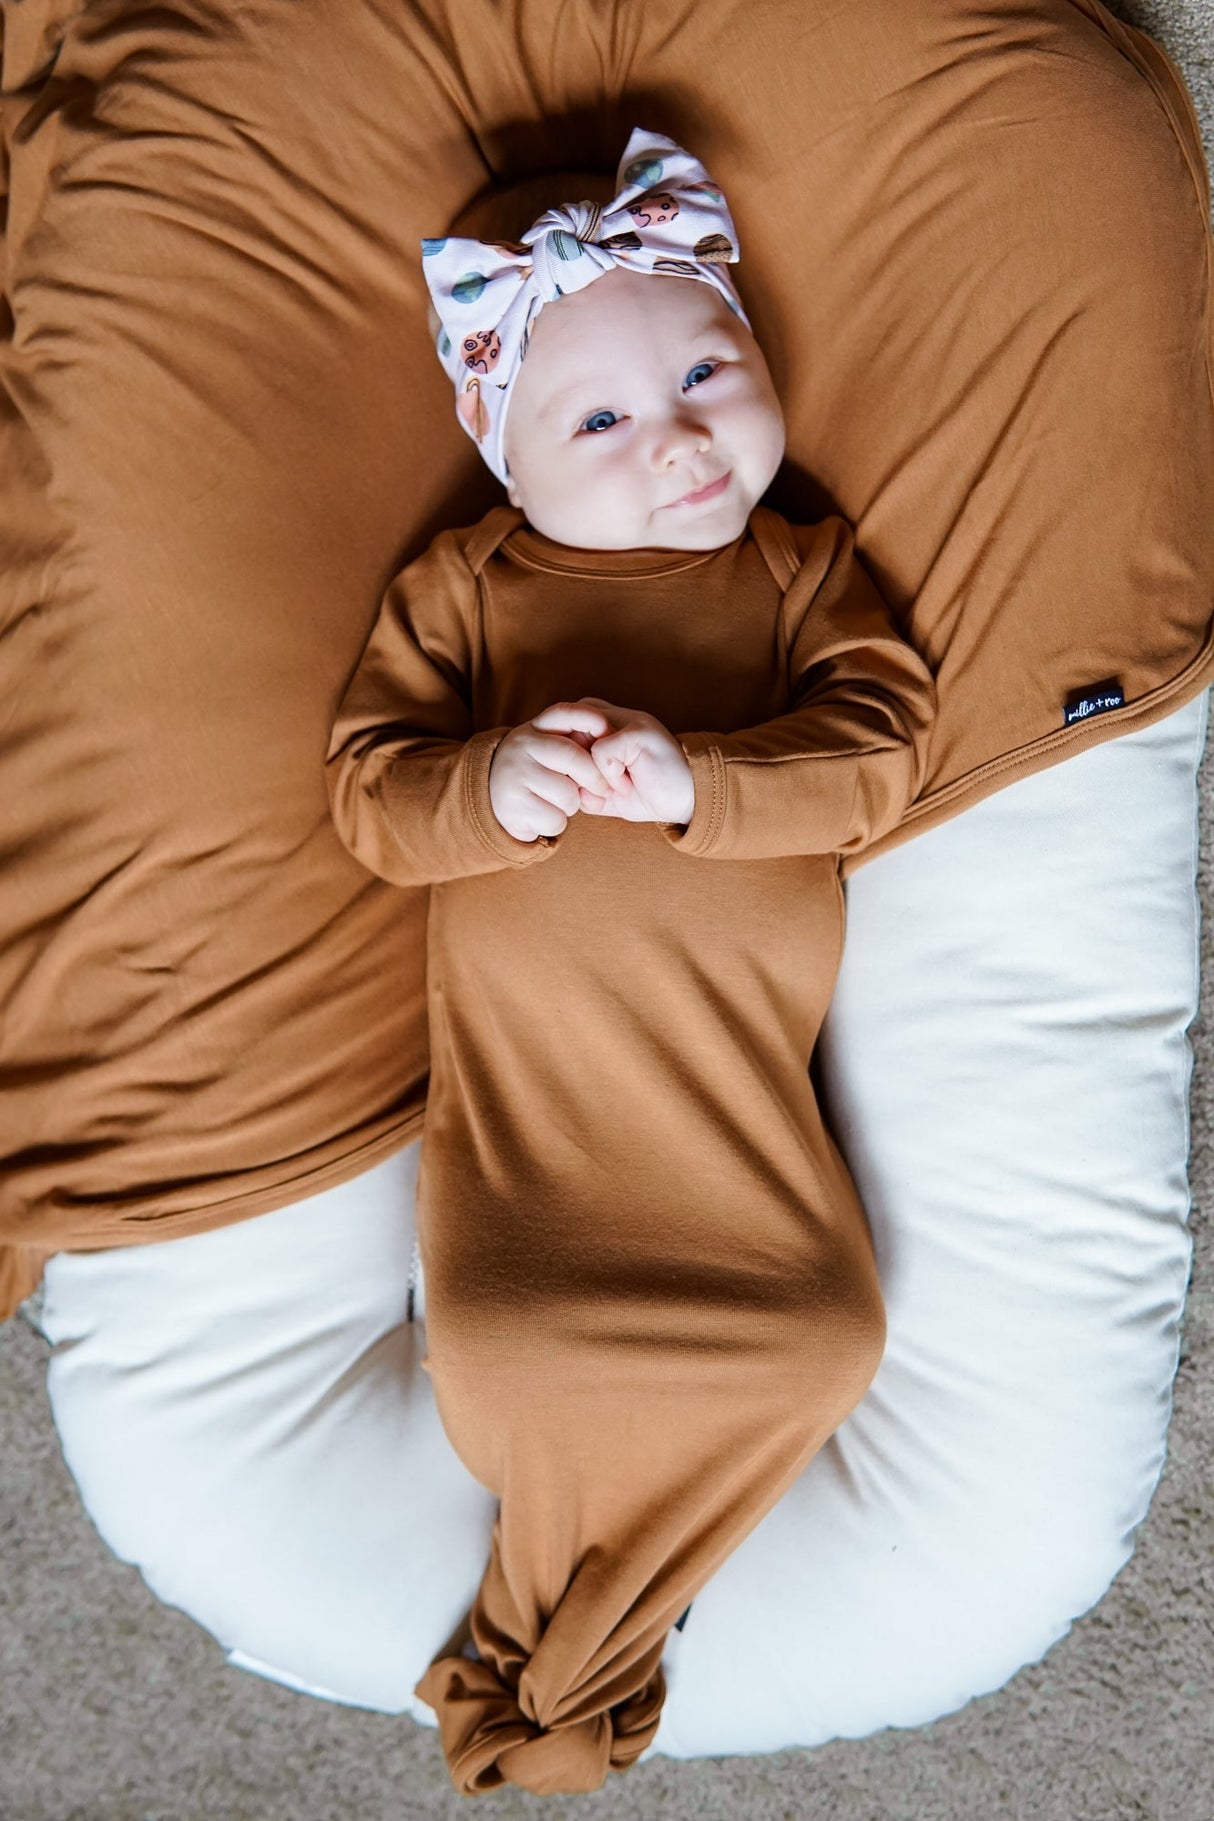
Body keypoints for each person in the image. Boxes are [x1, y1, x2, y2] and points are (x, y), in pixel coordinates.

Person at [325, 125, 938, 1798]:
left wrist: (704, 783)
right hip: (539, 1132)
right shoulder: (467, 591)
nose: (674, 436)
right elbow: (370, 798)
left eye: (704, 373)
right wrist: (489, 786)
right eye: (596, 421)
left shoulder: (798, 570)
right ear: (508, 461)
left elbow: (881, 754)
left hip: (733, 1122)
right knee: (512, 1354)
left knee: (822, 1339)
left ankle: (569, 1641)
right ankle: (582, 1635)